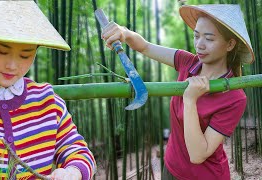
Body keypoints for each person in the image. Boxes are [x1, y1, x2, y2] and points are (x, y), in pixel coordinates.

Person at [0, 0, 96, 179]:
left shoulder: (48, 101)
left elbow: (77, 150)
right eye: (2, 51)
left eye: (25, 55)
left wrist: (73, 171)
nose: (12, 66)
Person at [102, 4, 254, 180]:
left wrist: (190, 100)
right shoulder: (186, 62)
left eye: (209, 39)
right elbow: (144, 46)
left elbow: (198, 155)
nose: (199, 45)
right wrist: (125, 33)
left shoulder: (235, 97)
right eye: (196, 36)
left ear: (230, 44)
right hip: (171, 168)